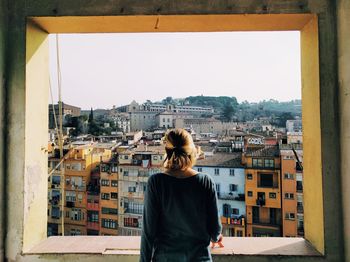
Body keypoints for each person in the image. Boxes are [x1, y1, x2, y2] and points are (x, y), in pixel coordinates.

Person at [140, 128, 223, 262]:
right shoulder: (205, 182)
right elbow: (215, 231)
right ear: (191, 151)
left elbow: (148, 233)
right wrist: (217, 236)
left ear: (167, 151)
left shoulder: (156, 182)